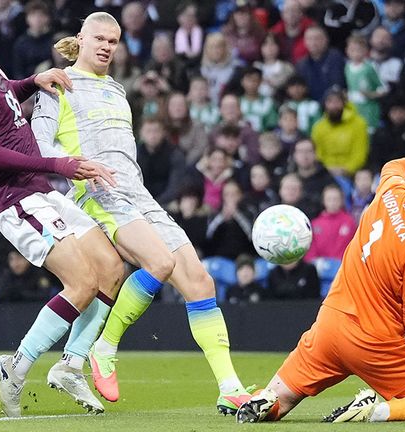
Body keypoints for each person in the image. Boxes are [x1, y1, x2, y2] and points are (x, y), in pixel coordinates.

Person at [32, 11, 253, 415]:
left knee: (200, 282)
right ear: (80, 38)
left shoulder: (117, 89)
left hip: (138, 194)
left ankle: (230, 387)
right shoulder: (57, 86)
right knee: (160, 262)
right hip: (97, 193)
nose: (106, 46)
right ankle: (104, 347)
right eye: (98, 38)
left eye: (113, 41)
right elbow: (39, 146)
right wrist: (78, 167)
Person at [0, 3, 124, 416]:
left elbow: (3, 97)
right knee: (81, 282)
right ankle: (15, 368)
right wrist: (59, 164)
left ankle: (71, 365)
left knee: (112, 269)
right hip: (15, 199)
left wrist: (31, 82)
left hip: (40, 191)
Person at [237, 156, 405, 424]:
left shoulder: (391, 192)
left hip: (329, 327)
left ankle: (253, 399)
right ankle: (374, 410)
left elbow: (395, 165)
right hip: (376, 343)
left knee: (277, 402)